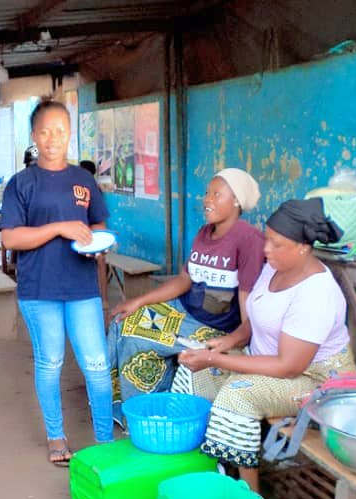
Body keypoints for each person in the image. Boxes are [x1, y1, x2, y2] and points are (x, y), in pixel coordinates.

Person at [174, 198, 355, 492]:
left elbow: (288, 366)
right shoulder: (274, 268)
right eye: (266, 239)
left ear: (303, 247)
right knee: (192, 371)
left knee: (238, 395)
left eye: (275, 243)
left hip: (314, 381)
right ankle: (204, 467)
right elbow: (256, 320)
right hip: (266, 362)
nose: (265, 249)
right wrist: (227, 343)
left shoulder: (317, 293)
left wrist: (217, 360)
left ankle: (250, 497)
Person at [0, 101, 114, 466]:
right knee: (50, 362)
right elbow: (11, 239)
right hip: (40, 289)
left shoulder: (83, 179)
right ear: (34, 136)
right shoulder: (22, 184)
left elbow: (97, 224)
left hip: (82, 286)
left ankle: (106, 441)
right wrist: (59, 228)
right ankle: (56, 435)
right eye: (45, 131)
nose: (53, 139)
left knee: (96, 364)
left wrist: (97, 243)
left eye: (61, 131)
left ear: (70, 134)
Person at [108, 168, 265, 425]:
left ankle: (150, 416)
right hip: (185, 311)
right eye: (207, 193)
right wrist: (139, 301)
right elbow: (185, 278)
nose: (207, 200)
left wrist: (239, 340)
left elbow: (250, 298)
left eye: (217, 194)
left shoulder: (249, 240)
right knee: (124, 321)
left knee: (138, 338)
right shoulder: (205, 232)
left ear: (236, 200)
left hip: (214, 327)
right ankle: (121, 403)